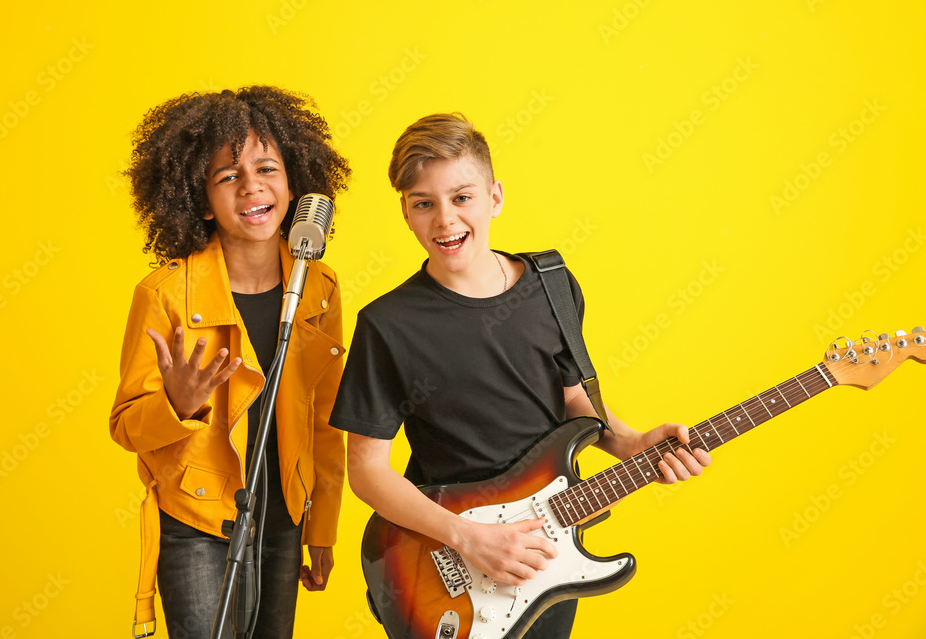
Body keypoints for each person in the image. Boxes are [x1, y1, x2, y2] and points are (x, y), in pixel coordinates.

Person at [328, 112, 711, 638]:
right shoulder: (388, 324)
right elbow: (368, 472)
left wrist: (632, 443)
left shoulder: (552, 286)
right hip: (449, 563)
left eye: (462, 197)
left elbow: (573, 401)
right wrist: (467, 537)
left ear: (496, 198)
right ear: (406, 214)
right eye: (425, 203)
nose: (445, 220)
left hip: (548, 548)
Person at [109, 85, 351, 639]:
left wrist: (323, 526)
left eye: (267, 167)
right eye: (227, 177)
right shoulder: (165, 295)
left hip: (285, 516)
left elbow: (327, 417)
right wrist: (178, 403)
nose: (251, 186)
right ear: (199, 200)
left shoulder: (318, 288)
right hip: (197, 518)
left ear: (294, 183)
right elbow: (126, 425)